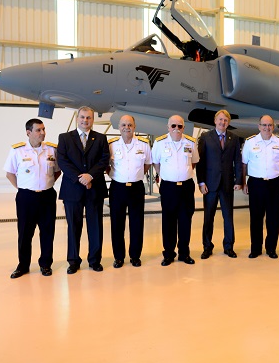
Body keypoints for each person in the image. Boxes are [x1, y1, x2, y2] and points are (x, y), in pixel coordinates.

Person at [4, 118, 61, 278]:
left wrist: (45, 184)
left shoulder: (51, 150)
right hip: (26, 197)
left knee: (48, 232)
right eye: (38, 130)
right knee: (25, 233)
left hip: (47, 196)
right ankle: (23, 265)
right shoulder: (18, 150)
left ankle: (45, 264)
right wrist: (23, 188)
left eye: (43, 129)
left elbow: (57, 171)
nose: (42, 133)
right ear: (28, 133)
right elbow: (9, 173)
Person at [57, 106, 110, 274]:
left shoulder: (101, 138)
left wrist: (90, 176)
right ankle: (73, 261)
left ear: (92, 120)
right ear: (77, 118)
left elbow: (104, 160)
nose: (85, 120)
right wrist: (80, 177)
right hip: (73, 189)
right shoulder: (65, 138)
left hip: (95, 188)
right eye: (82, 117)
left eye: (88, 118)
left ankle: (95, 260)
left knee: (95, 226)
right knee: (73, 226)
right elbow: (63, 161)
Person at [152, 115, 200, 266]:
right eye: (173, 126)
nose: (176, 129)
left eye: (179, 126)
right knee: (168, 221)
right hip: (169, 187)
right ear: (168, 127)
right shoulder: (159, 143)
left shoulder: (190, 142)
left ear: (183, 128)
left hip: (186, 187)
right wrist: (167, 175)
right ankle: (168, 254)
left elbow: (194, 162)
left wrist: (182, 174)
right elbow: (156, 164)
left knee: (186, 220)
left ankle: (184, 253)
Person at [196, 110, 243, 259]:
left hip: (227, 185)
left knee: (228, 217)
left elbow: (238, 161)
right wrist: (201, 182)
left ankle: (229, 246)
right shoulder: (205, 137)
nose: (223, 123)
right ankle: (207, 247)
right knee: (208, 217)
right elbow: (200, 162)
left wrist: (238, 181)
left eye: (226, 120)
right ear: (215, 121)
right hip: (210, 185)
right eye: (220, 120)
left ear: (228, 123)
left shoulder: (234, 138)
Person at [241, 115, 279, 259]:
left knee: (273, 218)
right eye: (264, 125)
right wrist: (243, 182)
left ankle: (271, 249)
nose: (267, 128)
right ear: (259, 126)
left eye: (269, 125)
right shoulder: (250, 142)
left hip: (274, 183)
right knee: (256, 218)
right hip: (256, 183)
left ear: (273, 127)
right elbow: (244, 165)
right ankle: (255, 249)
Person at [108, 115, 152, 268]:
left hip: (136, 188)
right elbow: (107, 165)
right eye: (123, 125)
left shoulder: (144, 145)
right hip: (117, 188)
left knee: (136, 223)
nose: (127, 127)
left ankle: (135, 256)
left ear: (134, 126)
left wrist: (136, 174)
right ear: (119, 127)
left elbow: (147, 164)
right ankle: (119, 257)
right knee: (117, 223)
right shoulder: (111, 145)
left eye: (130, 125)